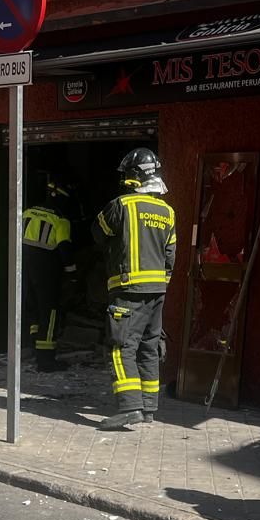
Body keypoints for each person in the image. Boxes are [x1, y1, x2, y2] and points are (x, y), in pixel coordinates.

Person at [94, 148, 176, 431]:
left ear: (134, 175)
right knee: (149, 347)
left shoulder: (122, 205)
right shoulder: (168, 212)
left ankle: (130, 408)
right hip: (157, 290)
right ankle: (150, 407)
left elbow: (98, 232)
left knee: (120, 347)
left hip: (127, 288)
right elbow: (171, 255)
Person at [23, 174, 76, 372]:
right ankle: (46, 360)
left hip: (24, 269)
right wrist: (72, 275)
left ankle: (34, 349)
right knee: (49, 313)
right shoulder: (60, 219)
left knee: (33, 310)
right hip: (46, 271)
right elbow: (64, 249)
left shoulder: (27, 212)